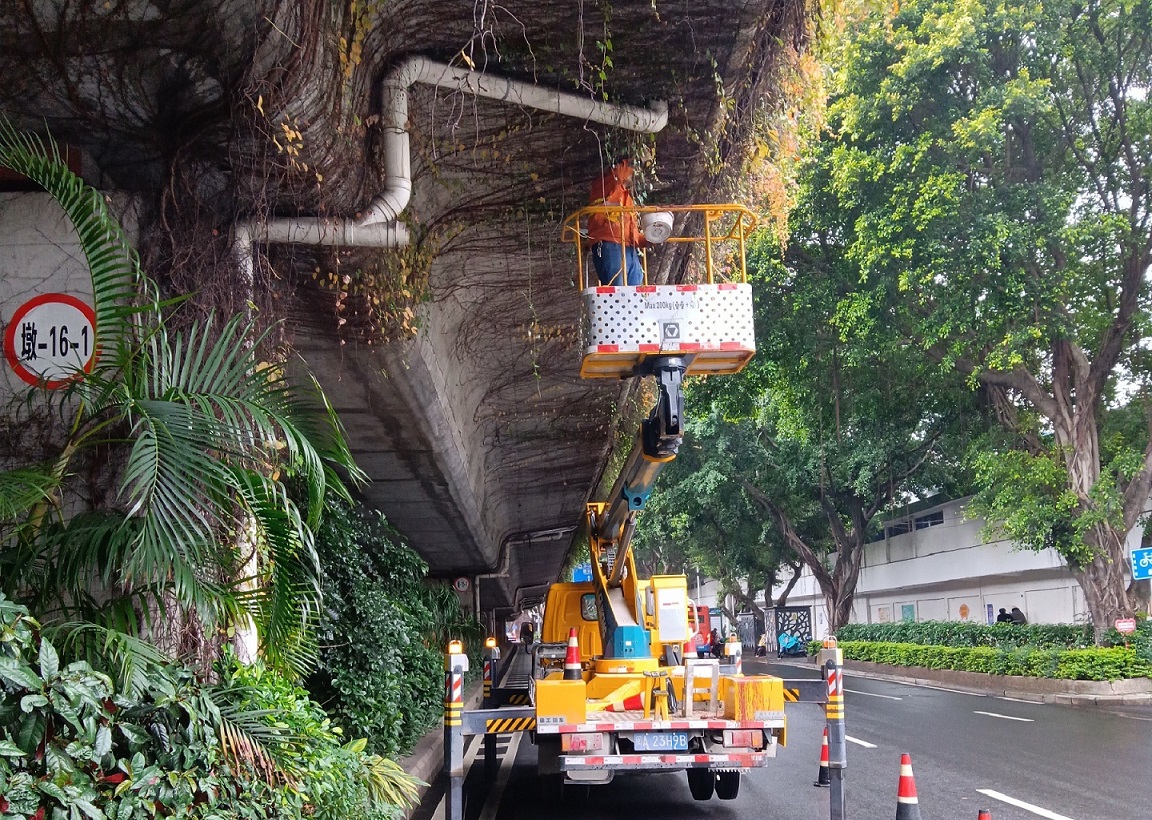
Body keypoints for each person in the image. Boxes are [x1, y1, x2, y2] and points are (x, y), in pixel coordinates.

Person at [587, 158, 647, 286]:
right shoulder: (606, 184)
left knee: (635, 291)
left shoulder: (627, 199)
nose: (634, 174)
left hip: (629, 249)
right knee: (617, 291)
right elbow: (620, 173)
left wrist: (650, 238)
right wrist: (639, 159)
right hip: (609, 243)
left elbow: (632, 233)